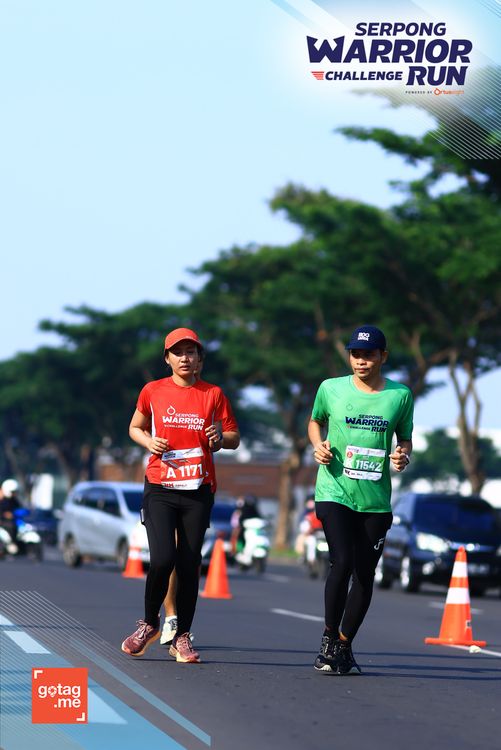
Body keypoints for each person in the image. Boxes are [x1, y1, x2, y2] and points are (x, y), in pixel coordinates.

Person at [121, 327, 240, 663]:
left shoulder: (213, 394)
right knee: (162, 559)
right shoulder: (153, 390)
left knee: (189, 564)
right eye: (178, 352)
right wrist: (149, 442)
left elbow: (234, 437)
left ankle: (182, 636)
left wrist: (219, 438)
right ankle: (149, 624)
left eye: (191, 352)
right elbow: (135, 427)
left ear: (200, 358)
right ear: (167, 358)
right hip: (160, 485)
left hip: (197, 489)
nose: (185, 358)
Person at [308, 325, 413, 676]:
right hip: (334, 490)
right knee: (341, 562)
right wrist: (318, 445)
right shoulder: (331, 388)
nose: (361, 361)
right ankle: (328, 638)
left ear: (383, 356)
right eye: (355, 354)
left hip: (375, 500)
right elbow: (315, 421)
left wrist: (402, 456)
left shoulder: (400, 395)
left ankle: (344, 643)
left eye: (368, 355)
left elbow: (405, 439)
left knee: (364, 574)